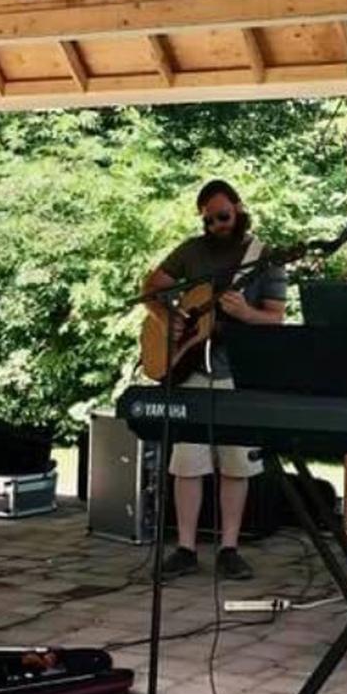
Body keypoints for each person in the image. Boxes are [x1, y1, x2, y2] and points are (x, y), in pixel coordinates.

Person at [142, 179, 287, 581]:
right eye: (208, 221)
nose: (216, 226)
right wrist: (165, 317)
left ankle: (229, 548)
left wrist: (244, 314)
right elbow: (151, 288)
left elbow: (276, 317)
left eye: (222, 217)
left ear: (239, 210)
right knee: (187, 464)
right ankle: (185, 548)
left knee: (235, 465)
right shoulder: (192, 251)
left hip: (237, 373)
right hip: (191, 370)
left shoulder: (266, 258)